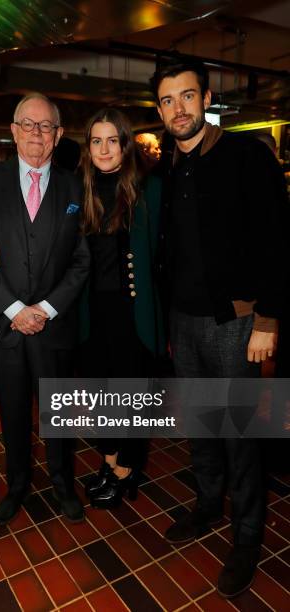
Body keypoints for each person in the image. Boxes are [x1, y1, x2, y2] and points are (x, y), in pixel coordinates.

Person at [151, 58, 288, 598]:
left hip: (237, 324)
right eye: (167, 100)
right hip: (183, 325)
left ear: (206, 97)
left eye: (187, 96)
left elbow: (279, 241)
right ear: (159, 110)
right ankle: (208, 506)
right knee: (203, 429)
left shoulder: (246, 156)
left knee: (239, 436)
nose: (178, 108)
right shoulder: (166, 169)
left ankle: (249, 534)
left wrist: (267, 320)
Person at [0, 93, 90, 525]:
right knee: (16, 411)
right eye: (28, 123)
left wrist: (46, 308)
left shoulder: (75, 188)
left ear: (58, 135)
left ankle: (62, 482)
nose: (36, 133)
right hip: (8, 326)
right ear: (13, 130)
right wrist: (15, 309)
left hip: (53, 325)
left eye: (46, 126)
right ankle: (16, 484)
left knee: (58, 411)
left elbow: (81, 261)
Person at [79, 108, 165, 509]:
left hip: (132, 313)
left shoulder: (149, 188)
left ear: (125, 144)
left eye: (112, 140)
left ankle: (127, 468)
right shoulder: (81, 190)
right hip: (94, 312)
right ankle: (110, 460)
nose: (104, 148)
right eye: (97, 141)